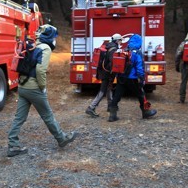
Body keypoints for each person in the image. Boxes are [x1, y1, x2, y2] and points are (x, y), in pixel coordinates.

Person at [7, 24, 77, 157]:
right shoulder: (45, 48)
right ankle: (61, 139)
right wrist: (43, 87)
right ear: (50, 37)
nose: (55, 40)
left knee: (19, 118)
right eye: (54, 37)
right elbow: (40, 70)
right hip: (34, 88)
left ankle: (12, 145)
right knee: (47, 115)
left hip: (22, 87)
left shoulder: (33, 45)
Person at [108, 34, 157, 121]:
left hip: (121, 77)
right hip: (132, 78)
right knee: (140, 95)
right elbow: (139, 67)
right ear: (139, 43)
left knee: (117, 96)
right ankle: (145, 112)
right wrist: (141, 79)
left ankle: (112, 115)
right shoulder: (137, 53)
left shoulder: (124, 50)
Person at [85, 33, 122, 117]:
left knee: (109, 88)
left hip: (104, 72)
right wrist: (113, 71)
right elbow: (112, 62)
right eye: (120, 40)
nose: (121, 42)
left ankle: (110, 105)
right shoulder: (113, 49)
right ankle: (91, 107)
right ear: (117, 40)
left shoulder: (108, 46)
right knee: (103, 90)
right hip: (108, 73)